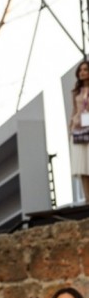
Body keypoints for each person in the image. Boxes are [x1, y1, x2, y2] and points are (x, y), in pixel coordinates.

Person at [69, 60, 89, 200]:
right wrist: (70, 128)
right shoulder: (76, 92)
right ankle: (87, 199)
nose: (82, 72)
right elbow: (74, 110)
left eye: (85, 69)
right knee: (81, 166)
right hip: (78, 131)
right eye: (80, 70)